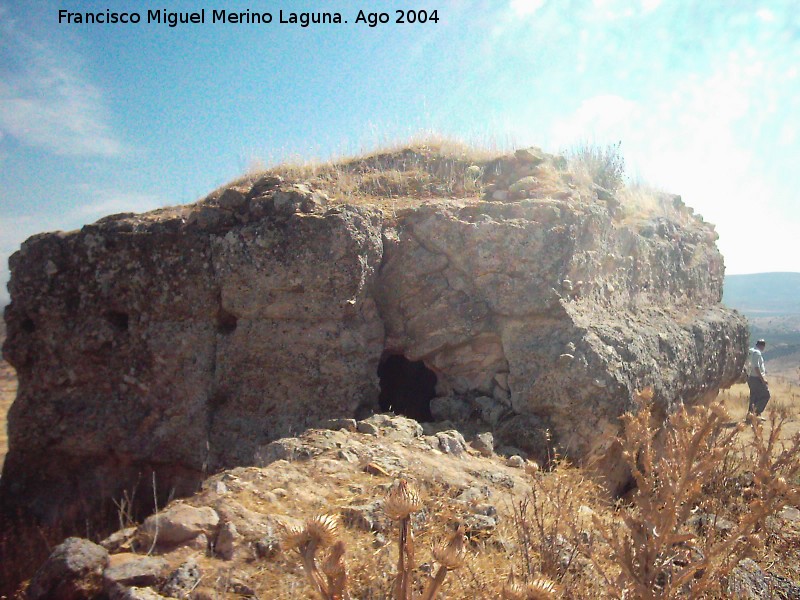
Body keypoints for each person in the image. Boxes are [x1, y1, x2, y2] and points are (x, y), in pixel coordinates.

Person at [747, 339, 770, 419]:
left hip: (750, 377)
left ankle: (750, 415)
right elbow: (756, 367)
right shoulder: (757, 353)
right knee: (766, 395)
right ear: (762, 346)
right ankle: (756, 413)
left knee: (754, 396)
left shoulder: (750, 351)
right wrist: (762, 379)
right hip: (756, 378)